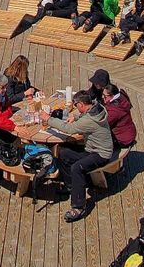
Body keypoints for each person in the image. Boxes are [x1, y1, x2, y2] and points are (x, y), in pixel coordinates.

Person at [45, 90, 116, 222]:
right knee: (63, 153)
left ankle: (79, 206)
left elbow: (69, 129)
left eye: (76, 104)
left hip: (101, 154)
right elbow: (85, 117)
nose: (75, 106)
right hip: (93, 149)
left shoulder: (89, 121)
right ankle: (71, 186)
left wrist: (48, 119)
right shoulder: (97, 108)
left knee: (77, 168)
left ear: (82, 104)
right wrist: (76, 117)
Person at [101, 80, 136, 148]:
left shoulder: (114, 111)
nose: (102, 97)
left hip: (122, 140)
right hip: (129, 132)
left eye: (105, 96)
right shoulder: (121, 96)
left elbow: (103, 124)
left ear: (112, 96)